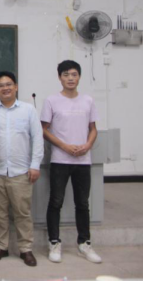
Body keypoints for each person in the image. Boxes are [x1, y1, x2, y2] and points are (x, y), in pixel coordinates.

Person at [42, 60, 101, 265]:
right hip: (60, 159)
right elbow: (44, 129)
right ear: (59, 77)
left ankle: (84, 243)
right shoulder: (51, 100)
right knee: (56, 201)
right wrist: (65, 146)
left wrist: (88, 145)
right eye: (66, 74)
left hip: (83, 160)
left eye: (74, 74)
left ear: (79, 77)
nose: (70, 78)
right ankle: (54, 242)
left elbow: (93, 128)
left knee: (82, 203)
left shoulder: (88, 100)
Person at [0, 71, 44, 267]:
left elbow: (37, 139)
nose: (5, 88)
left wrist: (35, 165)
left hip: (21, 172)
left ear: (16, 87)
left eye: (9, 84)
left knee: (22, 213)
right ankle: (1, 246)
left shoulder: (28, 110)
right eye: (1, 85)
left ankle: (25, 249)